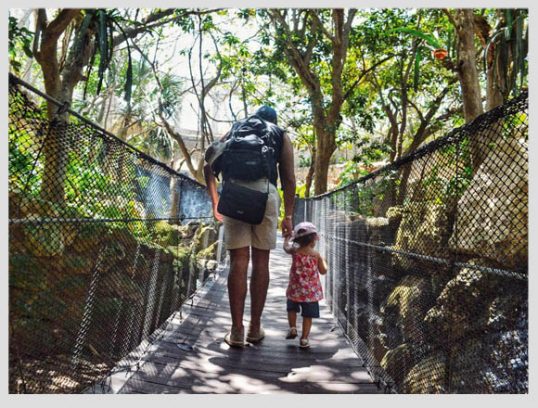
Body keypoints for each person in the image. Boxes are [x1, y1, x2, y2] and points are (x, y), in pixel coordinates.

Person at [204, 105, 296, 347]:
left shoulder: (235, 131)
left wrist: (216, 202)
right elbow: (288, 177)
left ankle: (236, 331)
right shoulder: (279, 133)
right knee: (261, 261)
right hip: (265, 195)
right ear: (273, 120)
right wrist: (288, 216)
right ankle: (255, 328)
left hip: (233, 194)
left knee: (238, 261)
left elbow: (207, 164)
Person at [283, 221, 327, 349]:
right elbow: (323, 271)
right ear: (313, 240)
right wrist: (324, 261)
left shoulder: (294, 251)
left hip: (295, 289)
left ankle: (292, 328)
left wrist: (286, 239)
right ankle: (304, 339)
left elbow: (286, 248)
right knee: (308, 315)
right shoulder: (316, 255)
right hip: (310, 293)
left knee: (291, 308)